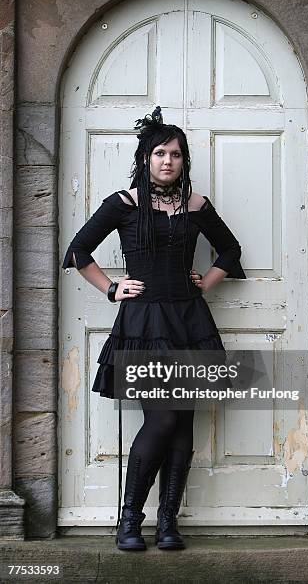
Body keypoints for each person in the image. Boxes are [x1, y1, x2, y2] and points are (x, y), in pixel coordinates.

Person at [62, 106, 246, 551]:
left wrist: (208, 280)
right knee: (162, 418)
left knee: (183, 423)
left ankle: (167, 524)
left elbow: (229, 249)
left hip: (189, 320)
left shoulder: (197, 206)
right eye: (160, 153)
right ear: (146, 157)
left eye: (176, 154)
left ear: (184, 161)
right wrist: (111, 288)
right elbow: (78, 251)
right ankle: (129, 521)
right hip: (144, 322)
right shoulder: (124, 204)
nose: (168, 161)